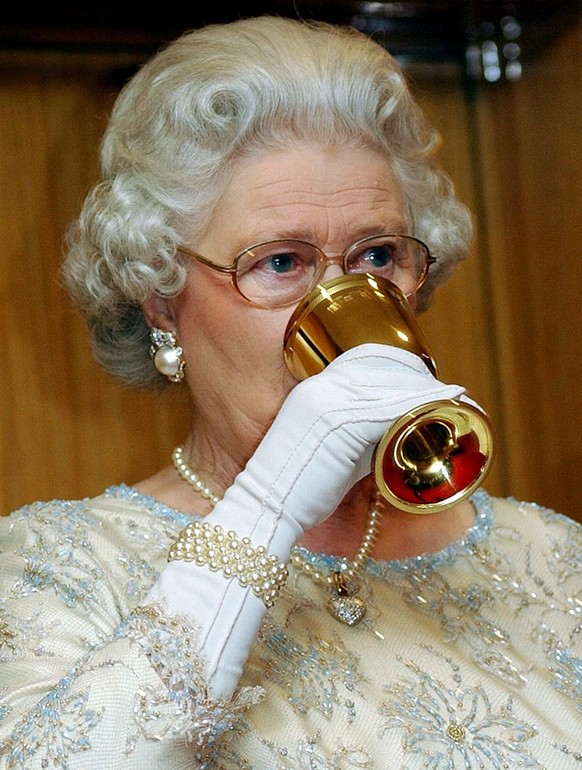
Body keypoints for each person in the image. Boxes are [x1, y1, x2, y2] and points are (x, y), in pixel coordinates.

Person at [0, 14, 579, 770]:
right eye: (280, 262)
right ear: (162, 301)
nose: (343, 303)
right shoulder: (59, 569)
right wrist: (273, 502)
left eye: (378, 254)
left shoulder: (556, 560)